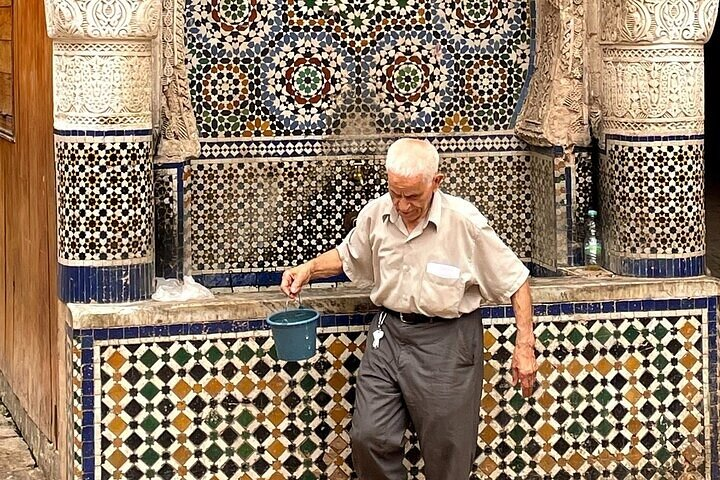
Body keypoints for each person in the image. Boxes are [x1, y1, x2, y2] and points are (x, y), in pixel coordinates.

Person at [280, 138, 538, 480]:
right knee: (368, 436)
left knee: (448, 451)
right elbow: (348, 256)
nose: (402, 205)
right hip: (388, 335)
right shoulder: (376, 213)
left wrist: (524, 346)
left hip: (447, 341)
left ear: (436, 182)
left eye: (412, 196)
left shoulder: (464, 222)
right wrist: (309, 268)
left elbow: (515, 280)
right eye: (395, 193)